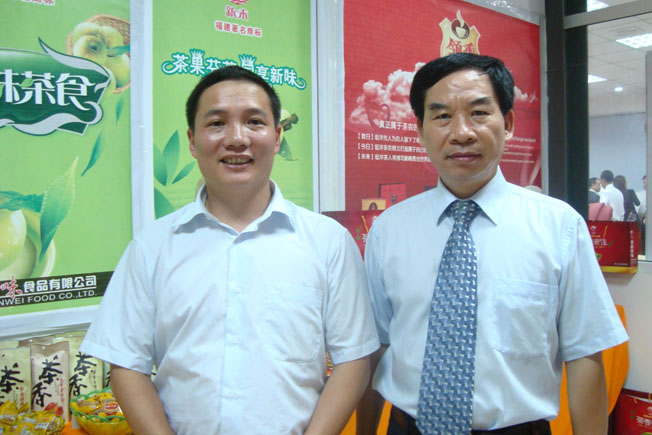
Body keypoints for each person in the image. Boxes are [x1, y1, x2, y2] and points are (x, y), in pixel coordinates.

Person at [81, 66, 379, 434]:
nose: (237, 139)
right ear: (192, 141)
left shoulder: (328, 241)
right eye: (217, 123)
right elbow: (127, 365)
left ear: (277, 136)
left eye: (254, 122)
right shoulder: (152, 246)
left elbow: (353, 360)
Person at [356, 53, 628, 435]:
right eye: (442, 116)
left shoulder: (559, 227)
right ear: (420, 129)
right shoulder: (389, 230)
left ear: (509, 123)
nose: (461, 132)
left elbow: (585, 353)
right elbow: (377, 348)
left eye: (479, 113)